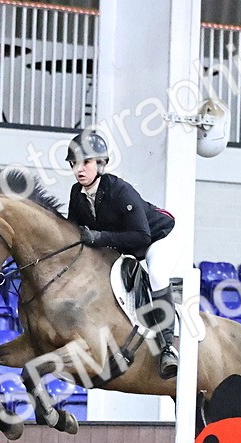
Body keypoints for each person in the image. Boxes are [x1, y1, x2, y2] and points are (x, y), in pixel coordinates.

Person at [65, 130, 178, 379]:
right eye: (74, 164)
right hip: (123, 247)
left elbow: (142, 236)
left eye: (86, 162)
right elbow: (74, 234)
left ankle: (168, 346)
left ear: (100, 164)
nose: (79, 169)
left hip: (155, 239)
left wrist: (99, 238)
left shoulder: (119, 190)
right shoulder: (77, 194)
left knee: (157, 275)